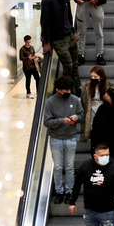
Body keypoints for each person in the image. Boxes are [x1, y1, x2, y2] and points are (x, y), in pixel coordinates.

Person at [43, 75, 84, 204]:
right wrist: (62, 121)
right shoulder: (50, 102)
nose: (68, 92)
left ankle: (69, 191)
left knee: (70, 167)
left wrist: (77, 117)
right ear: (58, 89)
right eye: (65, 90)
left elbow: (81, 115)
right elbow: (46, 122)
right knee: (58, 167)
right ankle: (59, 192)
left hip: (71, 138)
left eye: (69, 89)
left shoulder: (75, 100)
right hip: (56, 138)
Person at [41, 0, 80, 90]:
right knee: (68, 64)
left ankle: (77, 86)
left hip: (69, 34)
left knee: (75, 62)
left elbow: (69, 15)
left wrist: (73, 31)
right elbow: (45, 21)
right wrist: (46, 42)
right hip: (57, 38)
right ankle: (67, 88)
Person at [80, 66, 114, 144]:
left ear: (101, 77)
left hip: (105, 119)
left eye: (95, 77)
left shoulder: (109, 88)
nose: (93, 78)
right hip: (92, 118)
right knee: (94, 143)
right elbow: (82, 104)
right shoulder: (86, 88)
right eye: (91, 76)